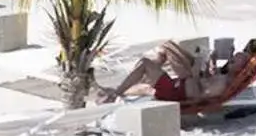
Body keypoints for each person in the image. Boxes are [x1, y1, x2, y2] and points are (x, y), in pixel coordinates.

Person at [98, 40, 230, 104]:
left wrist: (196, 72)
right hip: (176, 85)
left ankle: (115, 93)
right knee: (146, 81)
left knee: (145, 63)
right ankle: (115, 90)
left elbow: (198, 96)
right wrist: (208, 64)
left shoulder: (223, 84)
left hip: (173, 90)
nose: (233, 59)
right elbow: (203, 83)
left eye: (235, 60)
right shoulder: (222, 80)